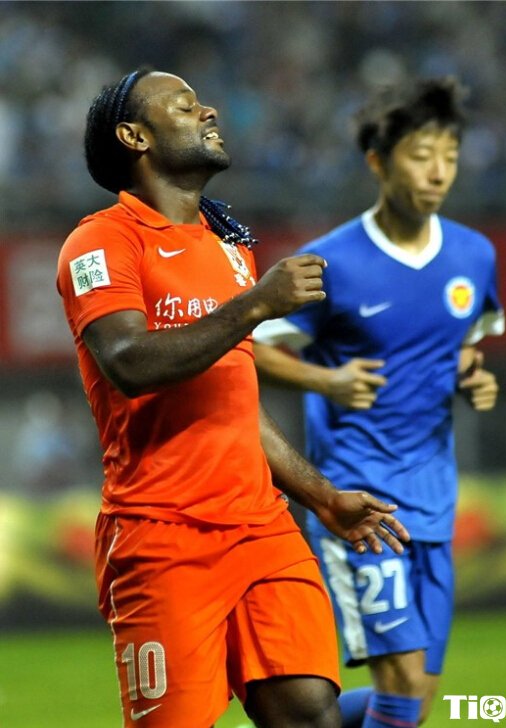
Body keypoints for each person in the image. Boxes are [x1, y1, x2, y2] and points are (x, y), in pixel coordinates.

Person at [56, 68, 411, 728]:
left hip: (262, 528)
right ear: (135, 136)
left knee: (308, 711)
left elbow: (236, 404)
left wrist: (322, 497)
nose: (209, 111)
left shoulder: (230, 249)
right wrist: (253, 306)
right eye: (185, 106)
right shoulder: (101, 241)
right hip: (161, 537)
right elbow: (127, 362)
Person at [253, 77, 505, 727]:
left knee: (414, 699)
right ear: (378, 161)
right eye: (421, 156)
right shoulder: (331, 262)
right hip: (360, 499)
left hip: (434, 499)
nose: (438, 172)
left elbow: (462, 347)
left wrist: (473, 377)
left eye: (449, 156)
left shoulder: (474, 256)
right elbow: (252, 350)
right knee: (402, 679)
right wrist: (327, 381)